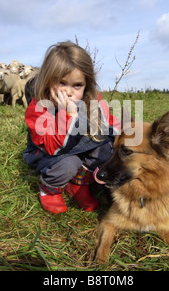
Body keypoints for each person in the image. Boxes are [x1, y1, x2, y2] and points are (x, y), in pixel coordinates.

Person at [23, 41, 120, 214]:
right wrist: (68, 115)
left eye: (77, 85)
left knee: (104, 148)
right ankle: (50, 188)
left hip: (76, 146)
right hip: (48, 153)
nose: (68, 92)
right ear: (47, 81)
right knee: (70, 162)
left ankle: (78, 185)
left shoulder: (91, 101)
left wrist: (123, 133)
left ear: (86, 85)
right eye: (61, 83)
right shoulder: (39, 108)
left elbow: (108, 123)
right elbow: (54, 148)